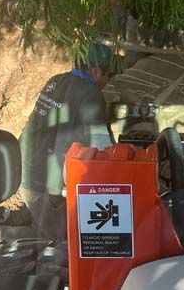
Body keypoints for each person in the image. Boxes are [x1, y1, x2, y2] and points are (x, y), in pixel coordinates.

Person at [19, 42, 116, 243]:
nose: (109, 81)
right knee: (59, 243)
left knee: (42, 226)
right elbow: (102, 148)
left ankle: (28, 229)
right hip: (46, 184)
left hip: (24, 168)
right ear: (96, 71)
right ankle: (15, 238)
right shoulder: (91, 95)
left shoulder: (56, 81)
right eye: (110, 75)